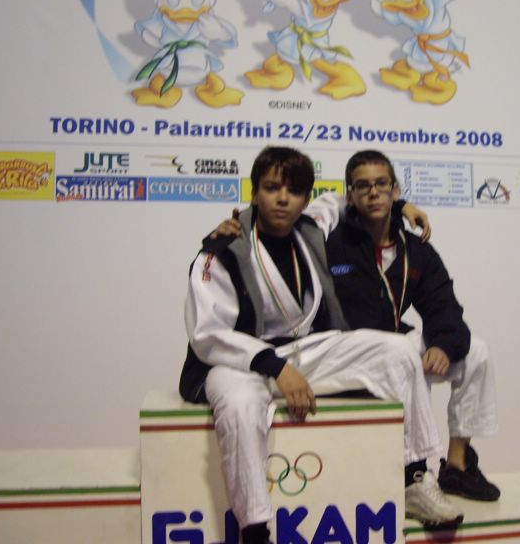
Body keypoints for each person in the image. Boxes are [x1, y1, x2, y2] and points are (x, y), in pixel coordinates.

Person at [180, 146, 463, 544]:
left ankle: (414, 477)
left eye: (294, 191)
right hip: (238, 363)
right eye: (272, 188)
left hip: (304, 351)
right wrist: (276, 368)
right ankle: (255, 529)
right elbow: (207, 334)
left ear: (305, 198)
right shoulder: (223, 249)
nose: (283, 199)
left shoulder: (311, 225)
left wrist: (401, 207)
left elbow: (351, 199)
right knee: (240, 406)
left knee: (399, 351)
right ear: (254, 192)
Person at [215, 149, 500, 501]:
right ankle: (414, 474)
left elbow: (444, 305)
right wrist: (238, 224)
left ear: (395, 191)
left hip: (397, 339)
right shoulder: (329, 239)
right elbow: (292, 215)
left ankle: (457, 465)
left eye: (382, 185)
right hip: (348, 348)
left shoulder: (416, 250)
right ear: (350, 195)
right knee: (401, 351)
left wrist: (442, 345)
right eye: (363, 186)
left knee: (475, 352)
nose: (373, 193)